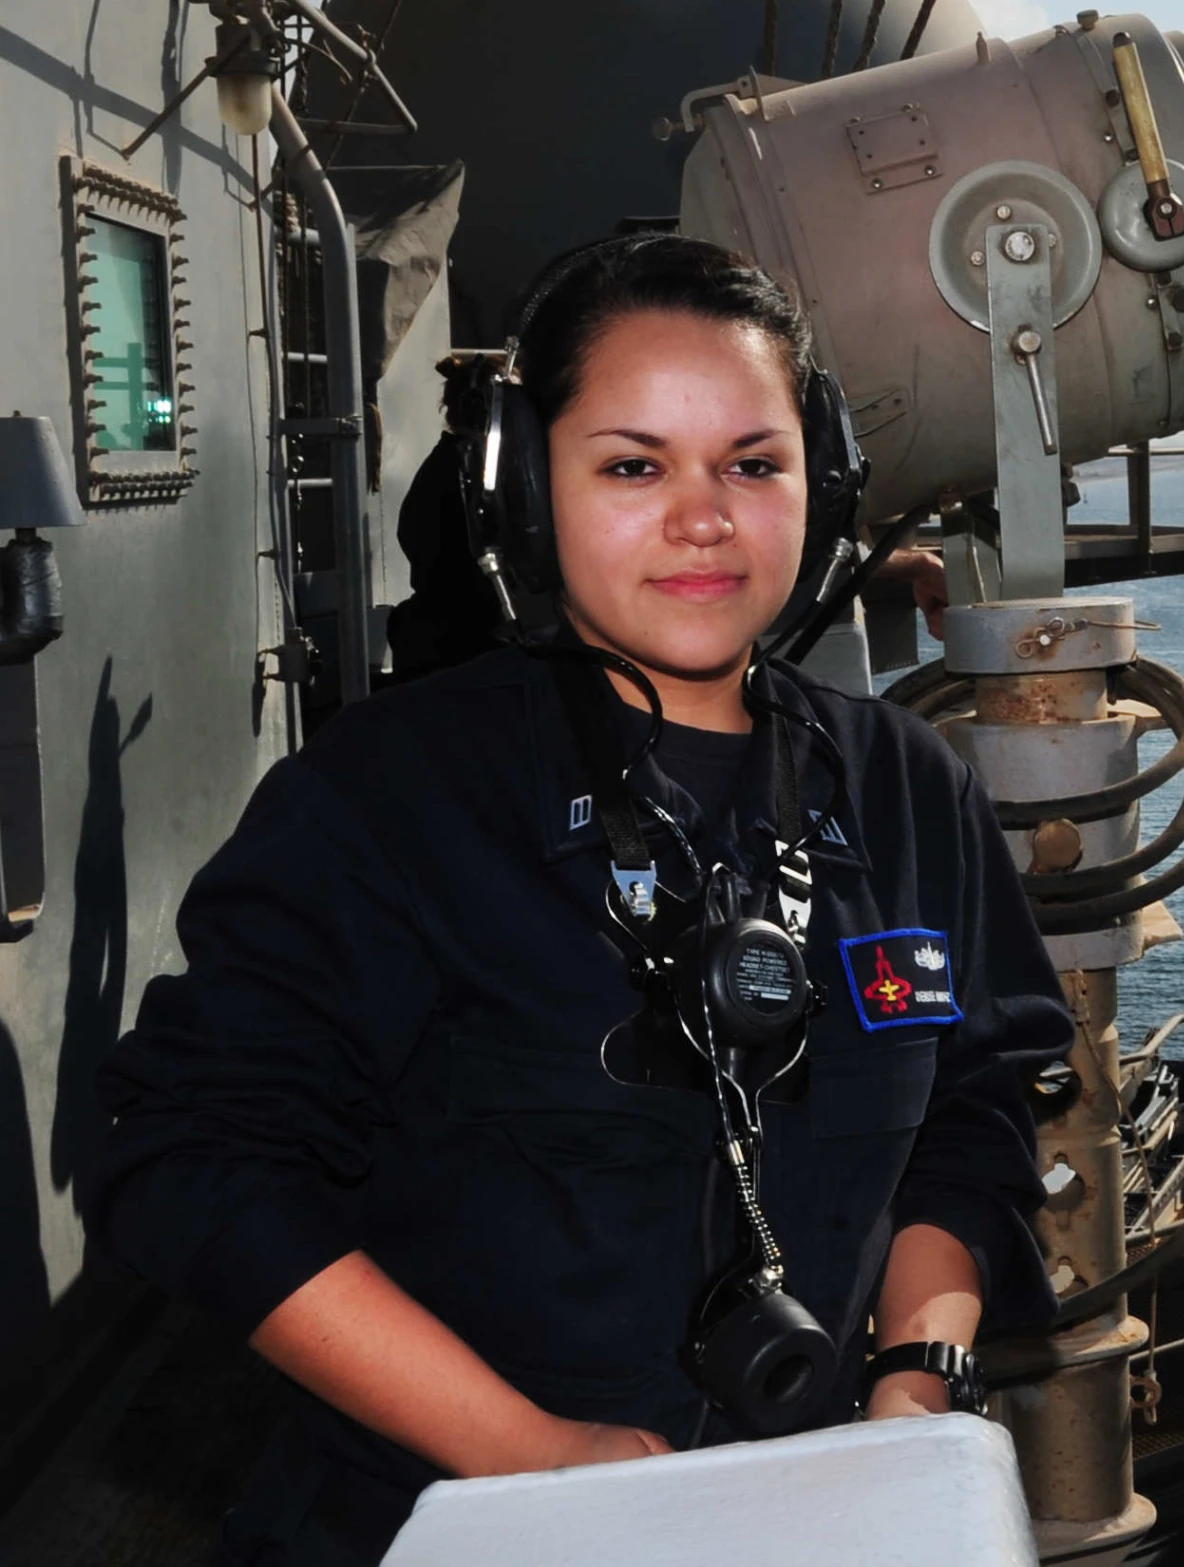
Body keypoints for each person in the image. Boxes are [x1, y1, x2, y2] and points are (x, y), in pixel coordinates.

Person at [91, 236, 1070, 1564]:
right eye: (631, 464)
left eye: (752, 462)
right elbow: (193, 1159)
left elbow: (974, 1109)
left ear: (821, 484)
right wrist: (529, 1457)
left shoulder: (905, 782)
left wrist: (911, 1380)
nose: (704, 514)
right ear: (527, 491)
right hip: (450, 1519)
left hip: (820, 1506)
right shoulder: (391, 794)